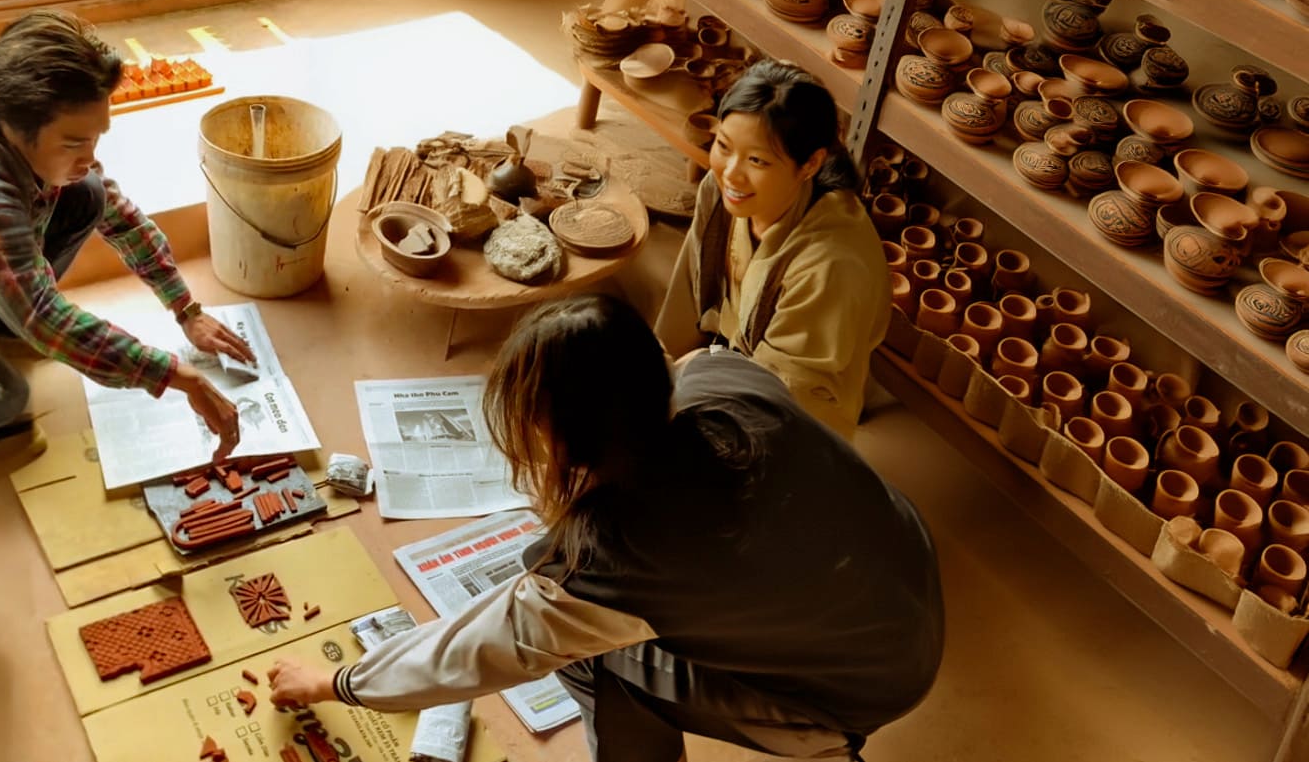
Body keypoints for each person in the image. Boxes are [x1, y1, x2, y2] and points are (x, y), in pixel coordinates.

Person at [269, 294, 943, 761]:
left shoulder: (616, 561)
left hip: (856, 687)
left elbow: (480, 647)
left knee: (594, 654)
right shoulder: (721, 375)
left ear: (570, 442)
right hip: (906, 577)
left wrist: (334, 682)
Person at [0, 10, 253, 461]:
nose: (90, 157)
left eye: (95, 138)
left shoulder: (25, 146)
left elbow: (122, 218)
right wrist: (176, 375)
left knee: (86, 193)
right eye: (73, 143)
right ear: (15, 126)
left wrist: (187, 310)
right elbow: (45, 316)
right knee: (3, 403)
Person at [654, 59, 889, 440]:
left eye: (757, 160)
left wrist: (695, 375)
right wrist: (658, 370)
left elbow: (784, 392)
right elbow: (688, 289)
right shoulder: (720, 192)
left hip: (793, 410)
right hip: (730, 357)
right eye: (723, 146)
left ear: (810, 163)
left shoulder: (831, 262)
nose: (731, 172)